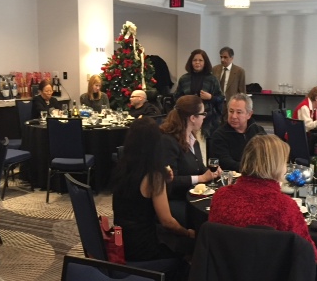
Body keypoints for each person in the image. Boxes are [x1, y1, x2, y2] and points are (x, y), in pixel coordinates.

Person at [209, 134, 317, 263]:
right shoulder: (285, 207)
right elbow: (311, 256)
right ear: (277, 166)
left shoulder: (221, 196)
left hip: (224, 272)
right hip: (271, 275)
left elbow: (212, 246)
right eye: (285, 162)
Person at [112, 117, 194, 261]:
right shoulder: (153, 176)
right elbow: (167, 222)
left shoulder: (122, 167)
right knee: (193, 244)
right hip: (143, 248)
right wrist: (187, 232)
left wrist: (165, 181)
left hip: (122, 239)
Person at [160, 95, 220, 223]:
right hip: (177, 198)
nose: (204, 117)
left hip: (194, 195)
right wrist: (201, 178)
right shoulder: (168, 141)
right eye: (203, 114)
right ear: (193, 118)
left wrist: (210, 171)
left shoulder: (192, 139)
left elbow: (198, 167)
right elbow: (170, 181)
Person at [210, 93, 265, 171]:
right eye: (231, 111)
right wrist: (252, 169)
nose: (234, 116)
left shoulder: (258, 131)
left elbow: (267, 155)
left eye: (239, 112)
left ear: (249, 114)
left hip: (259, 173)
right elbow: (225, 163)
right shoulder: (219, 135)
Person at [174, 49, 224, 137]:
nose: (197, 62)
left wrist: (211, 97)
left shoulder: (212, 79)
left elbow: (221, 98)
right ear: (191, 62)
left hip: (207, 120)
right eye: (195, 60)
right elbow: (177, 97)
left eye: (200, 60)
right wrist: (185, 100)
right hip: (187, 118)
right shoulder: (184, 79)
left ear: (205, 62)